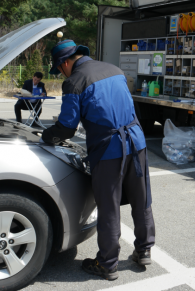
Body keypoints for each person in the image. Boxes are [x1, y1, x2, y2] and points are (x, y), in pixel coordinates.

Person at [42, 40, 155, 281]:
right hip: (137, 142)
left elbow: (67, 127)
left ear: (65, 63)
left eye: (59, 68)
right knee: (141, 198)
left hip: (108, 149)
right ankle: (144, 250)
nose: (61, 73)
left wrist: (46, 136)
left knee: (109, 206)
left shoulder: (74, 82)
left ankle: (107, 264)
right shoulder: (115, 69)